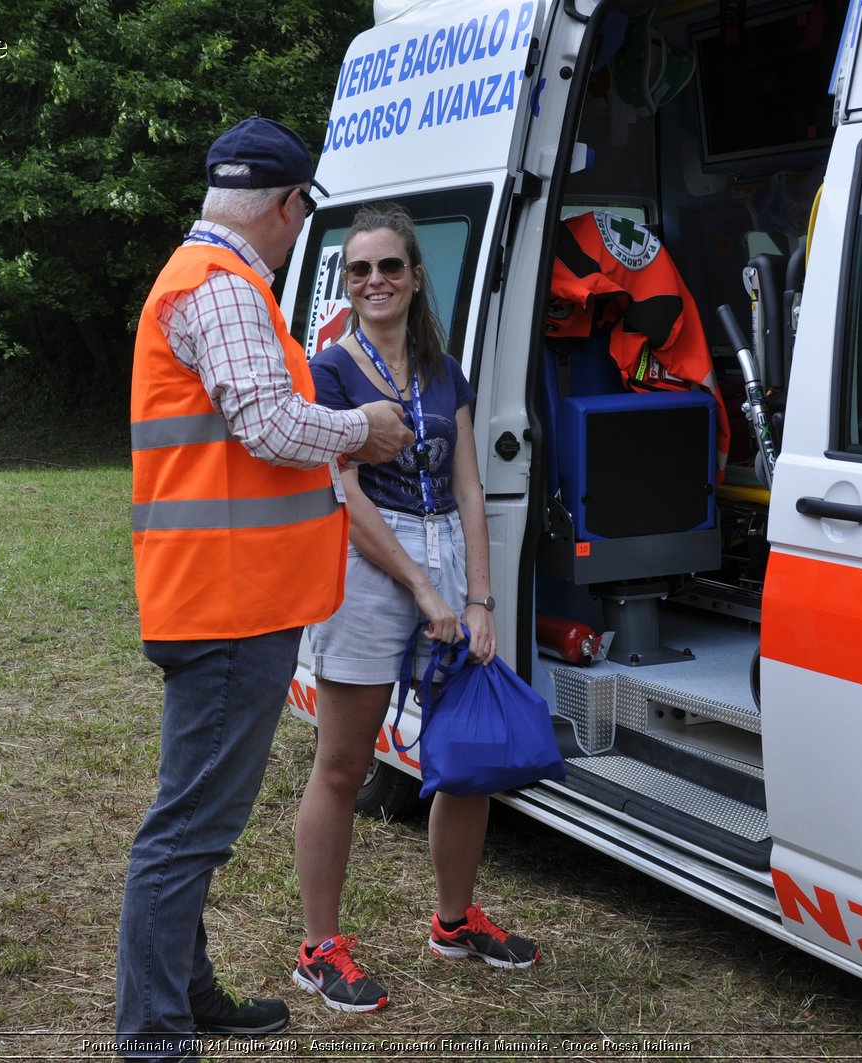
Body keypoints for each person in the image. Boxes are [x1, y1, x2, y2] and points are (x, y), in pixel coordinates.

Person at [117, 118, 413, 1061]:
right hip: (229, 605)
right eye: (301, 218)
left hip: (220, 597)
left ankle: (185, 995)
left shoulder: (198, 278)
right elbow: (271, 427)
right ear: (289, 206)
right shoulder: (225, 286)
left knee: (195, 818)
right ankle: (155, 1034)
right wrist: (360, 426)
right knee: (188, 830)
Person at [290, 205, 542, 1015]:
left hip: (444, 552)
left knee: (465, 754)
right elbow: (346, 492)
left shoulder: (443, 368)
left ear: (414, 274)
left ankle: (453, 921)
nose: (374, 281)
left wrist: (478, 597)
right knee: (343, 764)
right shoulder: (330, 369)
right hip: (368, 561)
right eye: (359, 269)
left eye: (389, 266)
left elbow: (470, 488)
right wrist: (425, 594)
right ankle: (319, 949)